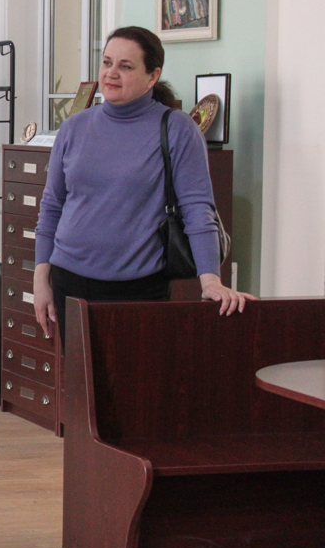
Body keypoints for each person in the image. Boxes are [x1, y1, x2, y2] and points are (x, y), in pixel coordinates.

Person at [32, 25, 255, 345]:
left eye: (125, 66)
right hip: (70, 282)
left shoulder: (177, 129)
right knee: (80, 377)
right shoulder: (74, 128)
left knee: (138, 376)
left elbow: (197, 208)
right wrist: (41, 279)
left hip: (139, 288)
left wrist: (211, 281)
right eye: (107, 62)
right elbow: (52, 206)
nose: (111, 73)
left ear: (153, 76)